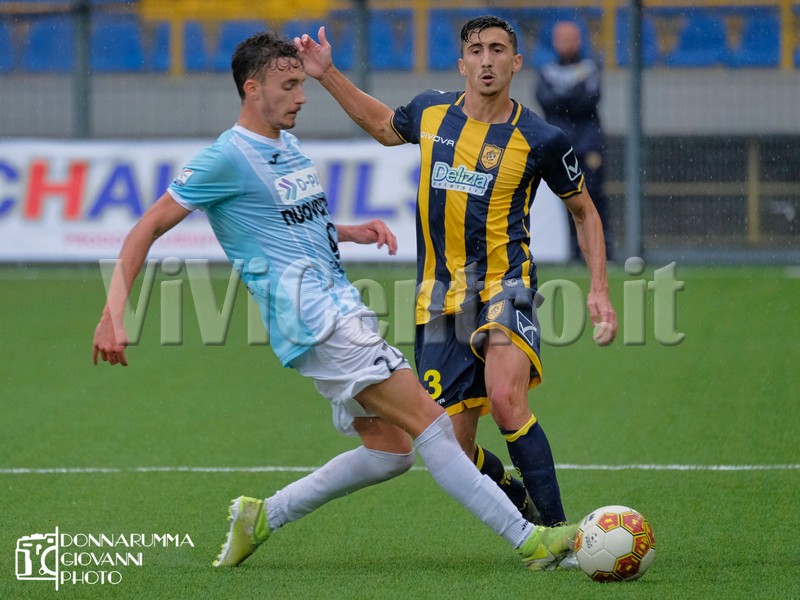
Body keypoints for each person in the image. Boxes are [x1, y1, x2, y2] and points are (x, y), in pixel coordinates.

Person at [92, 30, 578, 571]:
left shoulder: (286, 145)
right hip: (319, 321)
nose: (301, 97)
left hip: (338, 310)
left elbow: (291, 221)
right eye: (288, 86)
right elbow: (146, 228)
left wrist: (348, 231)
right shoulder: (225, 158)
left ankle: (263, 516)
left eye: (301, 84)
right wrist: (113, 315)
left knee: (391, 452)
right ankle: (531, 540)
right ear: (252, 88)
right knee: (433, 424)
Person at [295, 14, 618, 548]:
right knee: (453, 448)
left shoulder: (542, 138)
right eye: (476, 50)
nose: (487, 60)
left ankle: (562, 537)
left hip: (506, 285)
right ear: (462, 62)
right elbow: (383, 126)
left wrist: (599, 289)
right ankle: (517, 498)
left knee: (507, 401)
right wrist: (326, 73)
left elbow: (584, 211)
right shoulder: (431, 112)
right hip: (439, 300)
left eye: (497, 49)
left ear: (516, 63)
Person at [535, 20, 611, 262]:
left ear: (579, 40)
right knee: (564, 199)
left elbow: (589, 100)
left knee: (594, 196)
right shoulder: (546, 70)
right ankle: (573, 251)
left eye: (571, 38)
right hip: (559, 145)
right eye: (562, 38)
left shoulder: (590, 68)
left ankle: (603, 250)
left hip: (588, 144)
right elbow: (545, 101)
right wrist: (572, 96)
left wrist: (562, 99)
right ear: (555, 42)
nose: (567, 43)